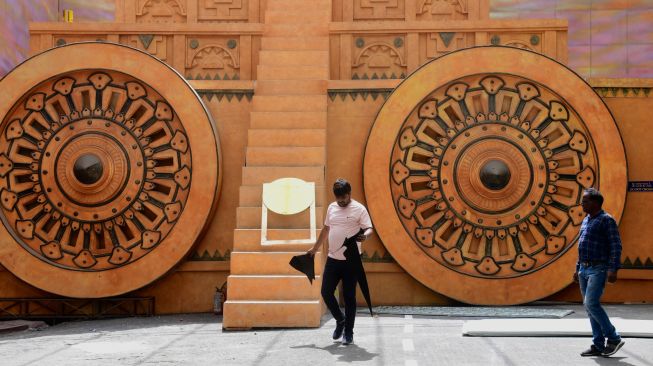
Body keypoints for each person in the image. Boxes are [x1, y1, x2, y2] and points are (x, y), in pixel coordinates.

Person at [308, 178, 373, 345]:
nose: (341, 201)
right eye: (338, 199)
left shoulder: (359, 209)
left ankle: (348, 333)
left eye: (343, 198)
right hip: (333, 259)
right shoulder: (332, 207)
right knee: (325, 292)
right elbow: (326, 229)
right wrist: (315, 249)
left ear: (349, 194)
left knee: (349, 296)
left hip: (352, 261)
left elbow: (369, 227)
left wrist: (365, 235)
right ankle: (340, 320)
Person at [574, 188, 625, 357]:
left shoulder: (606, 220)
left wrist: (613, 269)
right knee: (589, 308)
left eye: (586, 201)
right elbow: (582, 246)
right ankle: (598, 345)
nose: (582, 203)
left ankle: (614, 338)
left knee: (591, 304)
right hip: (584, 268)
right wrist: (577, 269)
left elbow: (615, 246)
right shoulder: (586, 220)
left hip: (598, 268)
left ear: (596, 203)